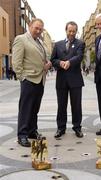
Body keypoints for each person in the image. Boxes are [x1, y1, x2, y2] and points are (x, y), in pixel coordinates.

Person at [12, 18, 51, 147]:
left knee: (35, 108)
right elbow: (16, 62)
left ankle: (32, 131)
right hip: (29, 79)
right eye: (36, 28)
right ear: (30, 26)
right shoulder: (21, 39)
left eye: (40, 29)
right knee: (25, 109)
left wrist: (47, 64)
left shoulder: (39, 42)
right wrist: (22, 77)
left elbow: (41, 58)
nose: (38, 31)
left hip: (40, 79)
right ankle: (22, 135)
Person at [51, 21, 85, 138]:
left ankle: (77, 127)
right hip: (61, 80)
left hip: (75, 80)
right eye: (69, 31)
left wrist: (69, 62)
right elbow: (53, 59)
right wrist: (60, 63)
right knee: (61, 105)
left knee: (76, 105)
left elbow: (79, 56)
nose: (71, 33)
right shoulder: (58, 44)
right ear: (66, 30)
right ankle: (61, 128)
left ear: (76, 31)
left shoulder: (80, 43)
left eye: (74, 31)